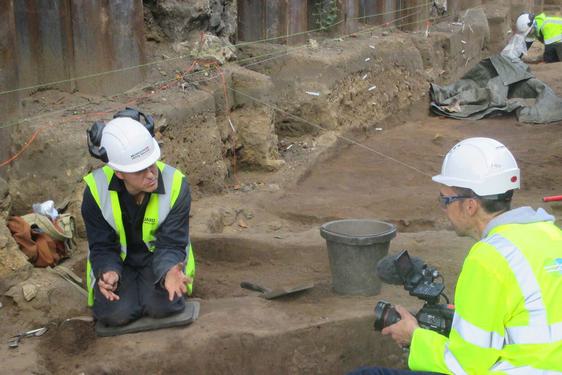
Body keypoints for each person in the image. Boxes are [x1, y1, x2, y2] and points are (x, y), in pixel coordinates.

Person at [349, 137, 562, 374]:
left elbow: (466, 365)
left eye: (445, 200)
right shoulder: (552, 234)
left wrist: (414, 337)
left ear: (470, 206)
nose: (443, 208)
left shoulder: (489, 258)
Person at [81, 108, 195, 326]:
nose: (151, 174)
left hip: (158, 258)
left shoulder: (177, 184)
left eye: (151, 164)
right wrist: (108, 272)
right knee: (114, 314)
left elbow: (171, 242)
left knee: (165, 306)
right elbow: (101, 246)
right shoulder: (95, 191)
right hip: (120, 262)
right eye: (140, 170)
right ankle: (127, 288)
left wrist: (170, 271)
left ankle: (155, 286)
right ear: (119, 173)